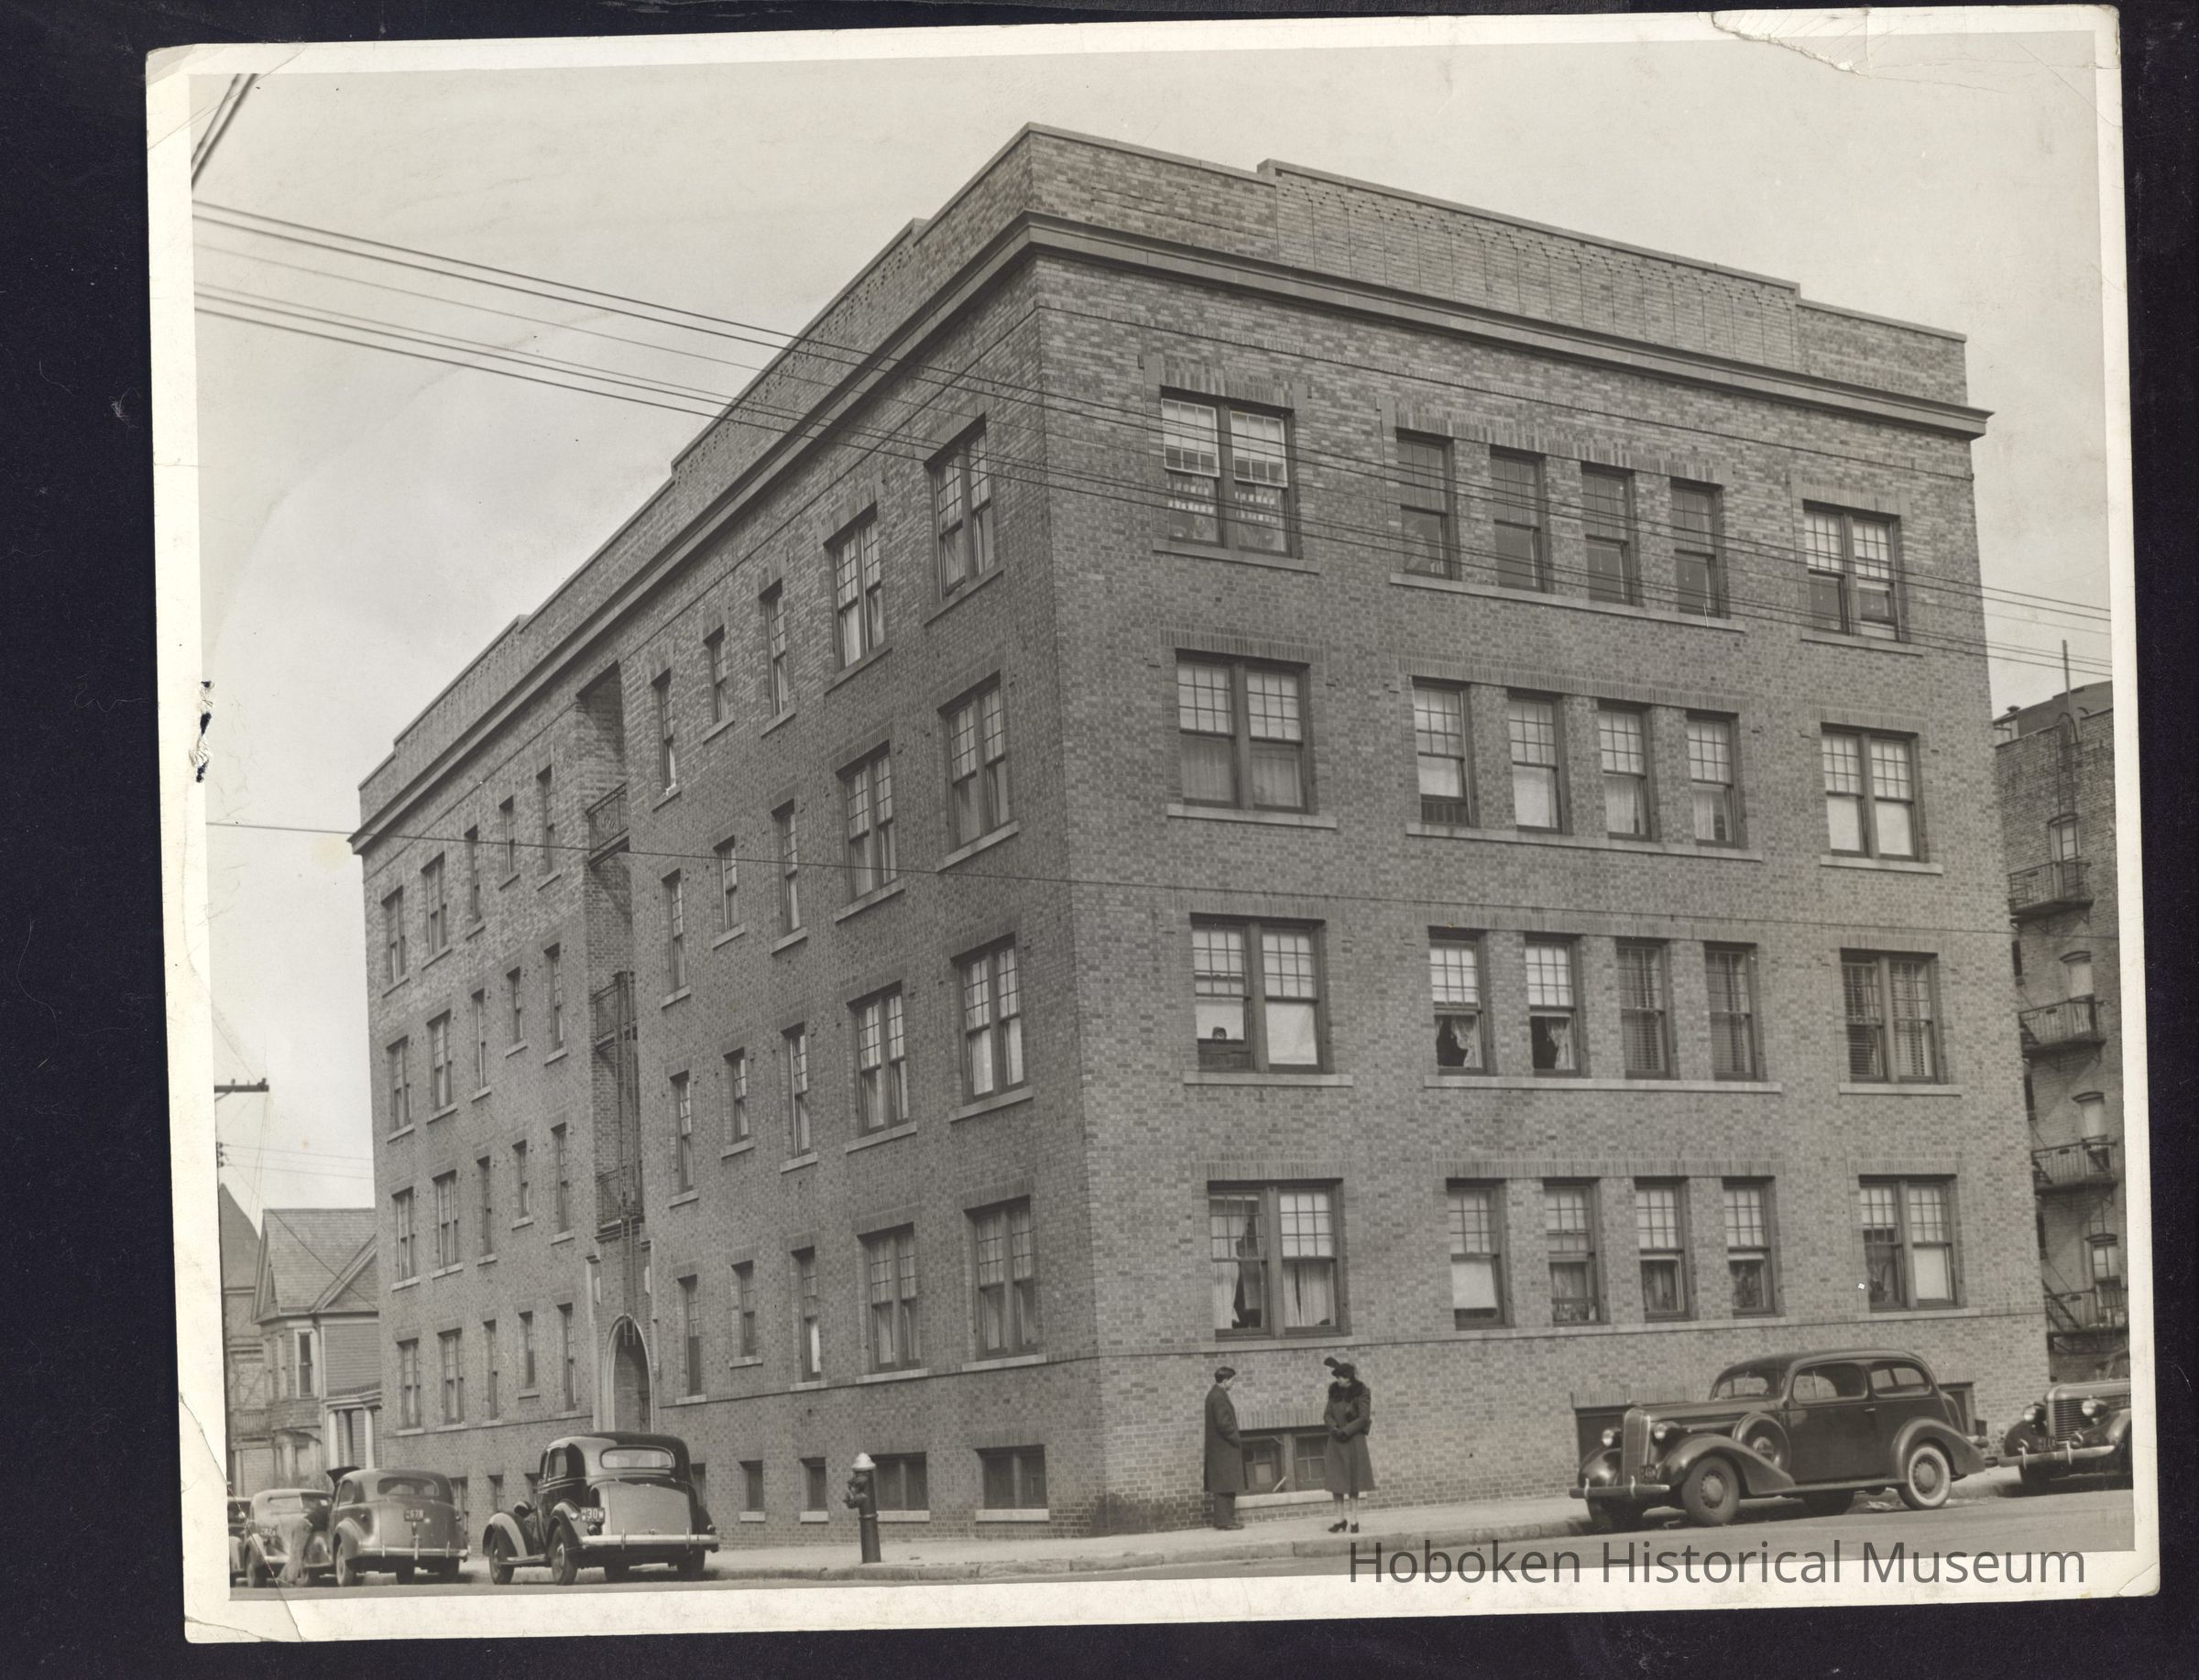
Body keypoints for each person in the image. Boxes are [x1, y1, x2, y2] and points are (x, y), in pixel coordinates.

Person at [1322, 1358, 1374, 1533]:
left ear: (1348, 1377)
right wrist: (1335, 1429)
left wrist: (1345, 1431)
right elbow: (1327, 1414)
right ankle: (1339, 1519)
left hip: (1353, 1440)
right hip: (1336, 1440)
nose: (1337, 1381)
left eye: (1340, 1378)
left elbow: (1363, 1417)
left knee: (1353, 1482)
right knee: (1336, 1481)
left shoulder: (1362, 1392)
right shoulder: (1334, 1392)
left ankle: (1354, 1520)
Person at [1204, 1366, 1244, 1530]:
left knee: (1225, 1484)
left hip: (1220, 1449)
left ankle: (1226, 1519)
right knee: (1224, 1485)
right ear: (1225, 1380)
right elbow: (1223, 1424)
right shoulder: (1218, 1397)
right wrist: (1236, 1439)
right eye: (1232, 1380)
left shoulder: (1215, 1395)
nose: (1233, 1384)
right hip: (1223, 1448)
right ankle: (1224, 1522)